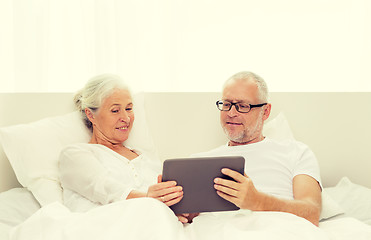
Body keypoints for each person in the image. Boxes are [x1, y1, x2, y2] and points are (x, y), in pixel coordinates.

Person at [192, 71, 322, 226]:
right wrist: (180, 209)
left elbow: (312, 212)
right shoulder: (198, 162)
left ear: (265, 111)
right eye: (226, 104)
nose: (231, 113)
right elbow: (190, 215)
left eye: (242, 106)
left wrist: (257, 201)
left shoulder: (296, 152)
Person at [59, 74, 184, 213]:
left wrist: (183, 211)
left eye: (129, 109)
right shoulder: (74, 155)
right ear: (90, 115)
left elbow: (169, 202)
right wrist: (149, 200)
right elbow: (103, 187)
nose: (126, 118)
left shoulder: (147, 159)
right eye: (115, 110)